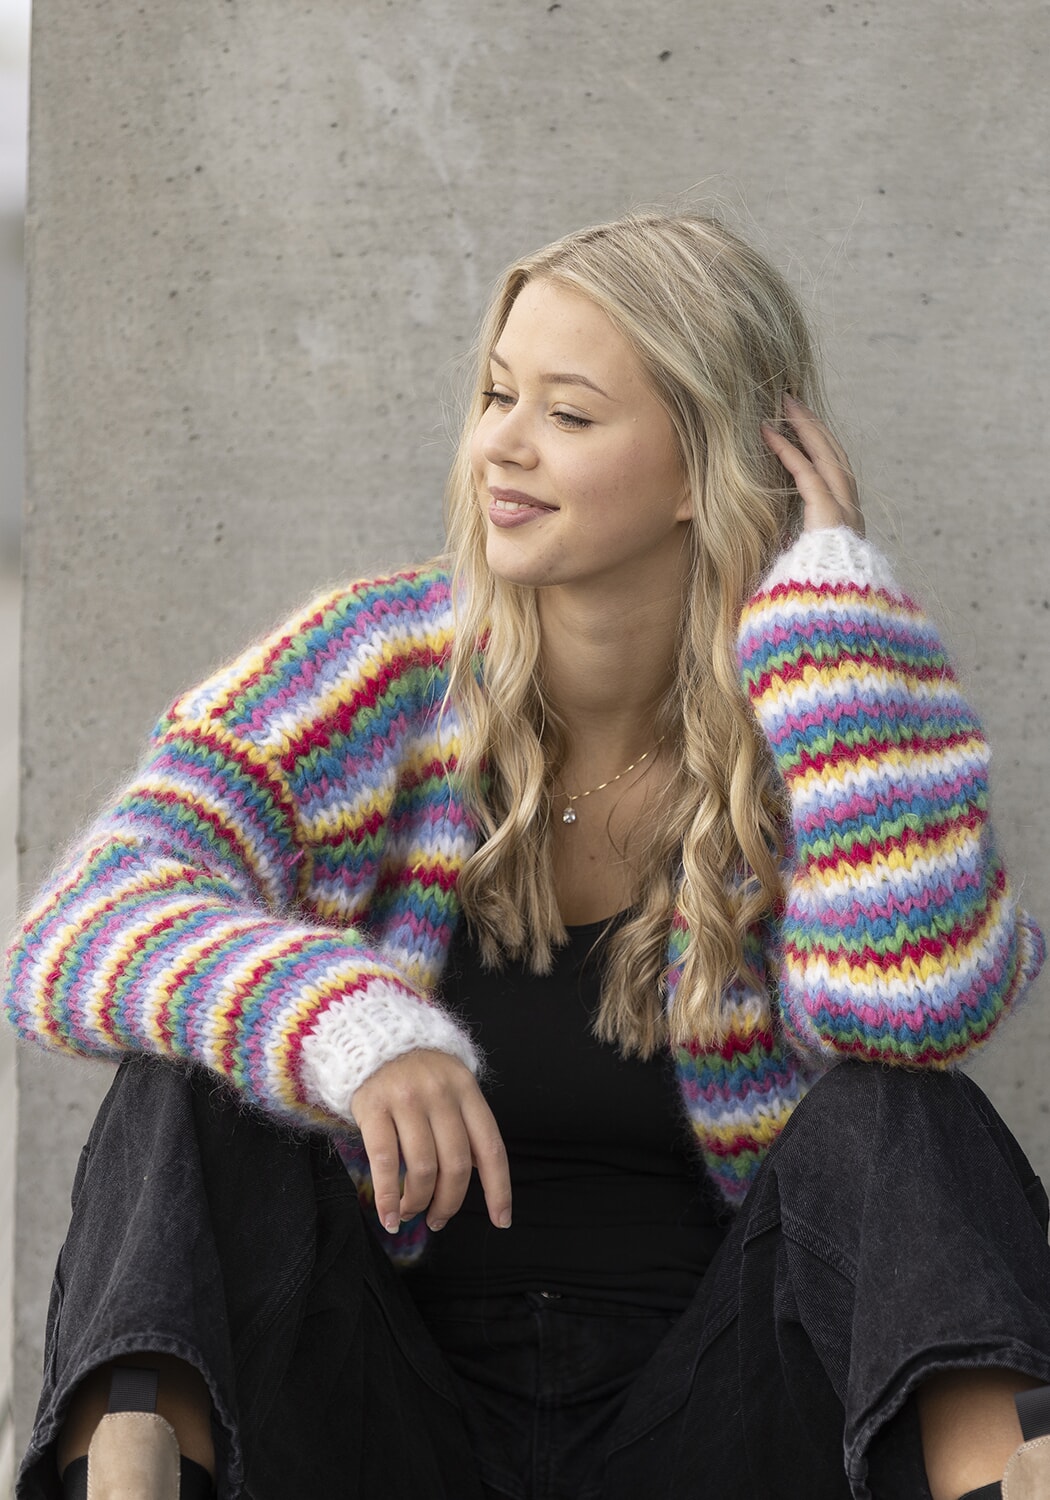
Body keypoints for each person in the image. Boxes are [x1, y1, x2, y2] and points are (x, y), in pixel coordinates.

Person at [5, 210, 1050, 1500]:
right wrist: (347, 1025)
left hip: (712, 1424)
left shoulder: (818, 707)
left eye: (567, 413)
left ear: (702, 466)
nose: (501, 442)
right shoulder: (374, 669)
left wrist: (842, 642)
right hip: (384, 1418)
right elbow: (81, 921)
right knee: (188, 1085)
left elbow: (920, 1011)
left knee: (904, 1110)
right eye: (498, 395)